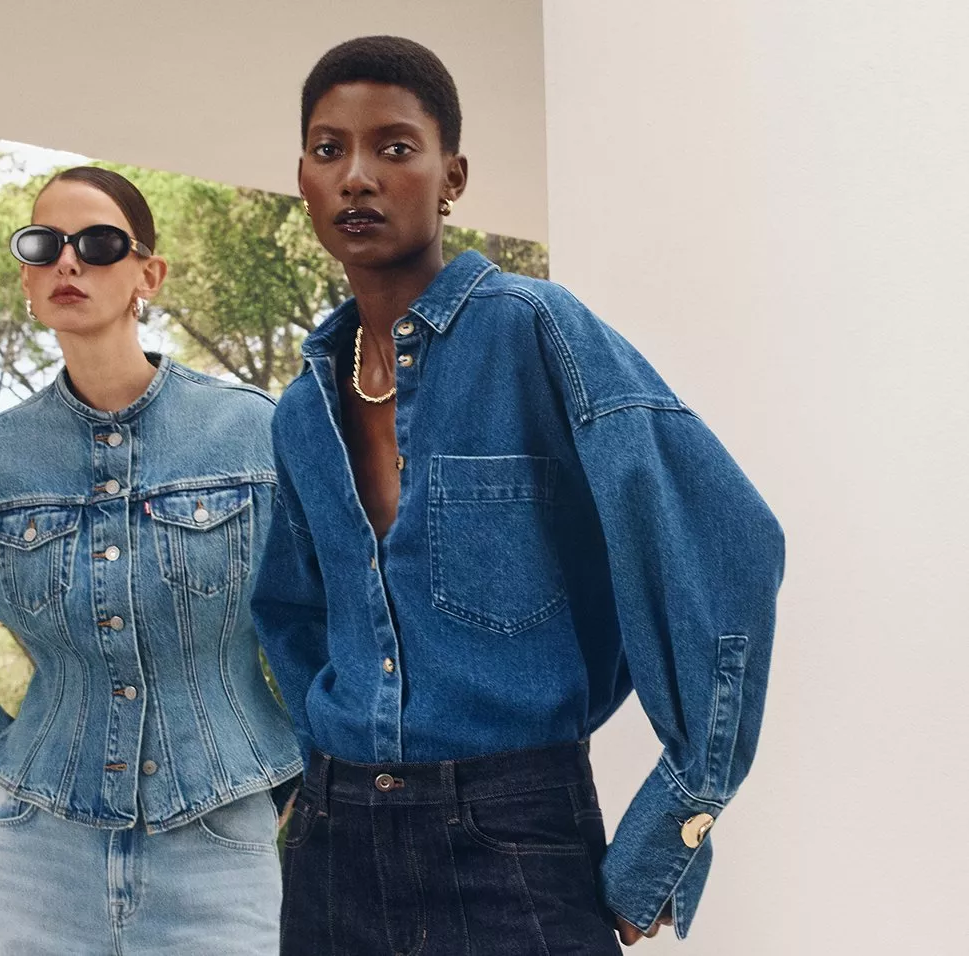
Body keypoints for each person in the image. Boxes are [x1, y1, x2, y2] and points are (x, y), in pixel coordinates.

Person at [252, 36, 785, 954]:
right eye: (329, 150)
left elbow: (731, 547)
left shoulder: (541, 336)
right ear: (302, 175)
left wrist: (674, 823)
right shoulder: (303, 409)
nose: (358, 177)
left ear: (451, 175)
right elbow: (292, 612)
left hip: (511, 839)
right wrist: (315, 774)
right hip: (333, 854)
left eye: (395, 147)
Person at [0, 165, 301, 955]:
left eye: (98, 244)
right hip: (34, 854)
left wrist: (297, 771)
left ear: (147, 275)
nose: (69, 262)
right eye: (45, 245)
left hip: (222, 842)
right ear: (27, 280)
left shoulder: (252, 435)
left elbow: (334, 623)